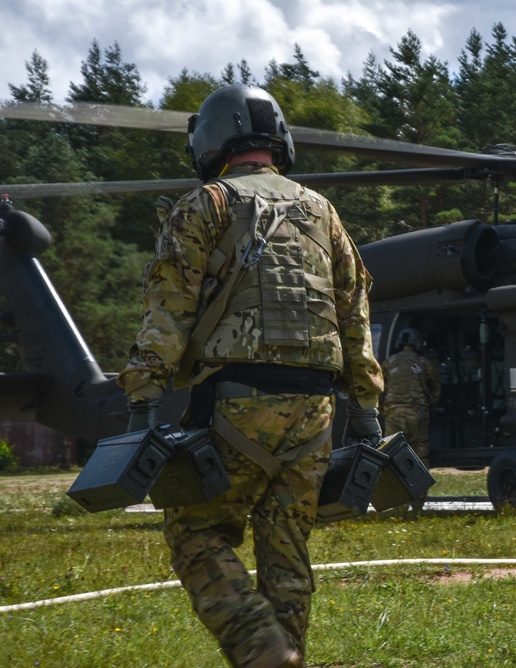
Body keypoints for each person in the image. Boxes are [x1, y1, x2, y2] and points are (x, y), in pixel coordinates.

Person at [117, 83, 383, 668]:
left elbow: (168, 311)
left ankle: (260, 649)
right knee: (286, 555)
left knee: (195, 536)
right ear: (278, 139)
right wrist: (366, 408)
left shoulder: (205, 205)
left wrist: (143, 401)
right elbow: (355, 312)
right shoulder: (323, 212)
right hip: (316, 414)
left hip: (234, 406)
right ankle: (287, 657)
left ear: (212, 141)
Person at [380, 327, 441, 471]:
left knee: (391, 451)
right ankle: (418, 491)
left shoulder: (389, 362)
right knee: (419, 454)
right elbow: (436, 386)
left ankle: (393, 489)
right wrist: (431, 403)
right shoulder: (424, 362)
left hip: (393, 412)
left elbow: (379, 387)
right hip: (417, 412)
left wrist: (382, 408)